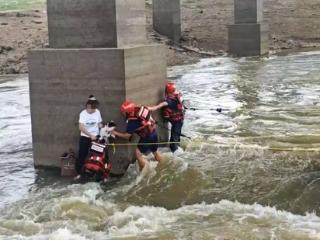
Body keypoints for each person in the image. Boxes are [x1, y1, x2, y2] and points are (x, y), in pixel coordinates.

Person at [112, 100, 161, 171]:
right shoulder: (141, 109)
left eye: (123, 111)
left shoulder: (132, 122)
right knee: (155, 151)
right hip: (154, 133)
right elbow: (153, 108)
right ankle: (161, 164)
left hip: (147, 137)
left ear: (127, 112)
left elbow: (127, 136)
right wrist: (161, 105)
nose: (122, 113)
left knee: (137, 153)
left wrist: (115, 133)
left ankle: (145, 171)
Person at [148, 82, 184, 154]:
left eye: (167, 92)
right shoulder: (178, 95)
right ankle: (179, 149)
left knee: (173, 142)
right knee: (177, 136)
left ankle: (177, 154)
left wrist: (152, 108)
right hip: (180, 120)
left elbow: (162, 104)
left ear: (169, 92)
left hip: (177, 122)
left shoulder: (170, 101)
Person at [74, 95, 103, 180]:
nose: (93, 110)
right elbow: (81, 127)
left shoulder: (97, 112)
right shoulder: (83, 114)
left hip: (96, 137)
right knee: (82, 155)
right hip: (85, 137)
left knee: (96, 156)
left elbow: (99, 123)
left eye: (94, 108)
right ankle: (80, 173)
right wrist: (90, 135)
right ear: (87, 106)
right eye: (91, 109)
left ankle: (96, 173)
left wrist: (103, 128)